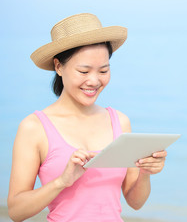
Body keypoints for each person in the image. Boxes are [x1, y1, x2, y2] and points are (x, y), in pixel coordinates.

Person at [7, 13, 167, 222]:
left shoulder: (119, 121)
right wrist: (61, 181)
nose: (94, 81)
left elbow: (135, 202)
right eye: (83, 71)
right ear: (58, 67)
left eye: (103, 70)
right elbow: (16, 211)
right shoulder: (34, 127)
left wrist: (146, 173)